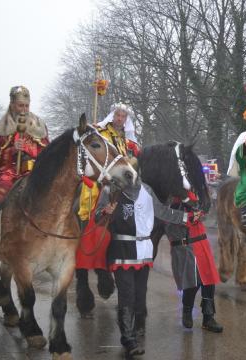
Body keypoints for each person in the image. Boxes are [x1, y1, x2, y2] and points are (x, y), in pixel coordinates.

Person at [95, 181, 198, 357]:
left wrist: (186, 217)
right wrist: (105, 212)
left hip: (144, 250)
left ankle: (134, 331)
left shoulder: (147, 189)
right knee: (127, 294)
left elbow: (162, 212)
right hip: (122, 249)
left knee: (139, 295)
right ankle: (128, 339)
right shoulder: (110, 190)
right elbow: (98, 218)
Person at [75, 103, 141, 312]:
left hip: (121, 179)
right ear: (113, 115)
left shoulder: (128, 140)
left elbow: (134, 160)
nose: (120, 118)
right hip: (103, 178)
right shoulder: (101, 132)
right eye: (118, 115)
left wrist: (134, 160)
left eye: (124, 116)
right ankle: (90, 226)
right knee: (97, 197)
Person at [0, 86, 49, 249]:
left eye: (26, 106)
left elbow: (46, 152)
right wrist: (13, 148)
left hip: (33, 171)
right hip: (9, 171)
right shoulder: (1, 127)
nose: (23, 109)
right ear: (12, 105)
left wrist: (30, 149)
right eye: (20, 105)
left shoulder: (38, 126)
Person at [165, 190, 223, 333]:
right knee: (193, 281)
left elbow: (204, 210)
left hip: (201, 241)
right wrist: (190, 216)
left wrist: (199, 211)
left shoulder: (194, 192)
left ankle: (208, 318)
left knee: (209, 281)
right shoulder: (168, 197)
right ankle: (187, 310)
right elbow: (169, 220)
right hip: (185, 246)